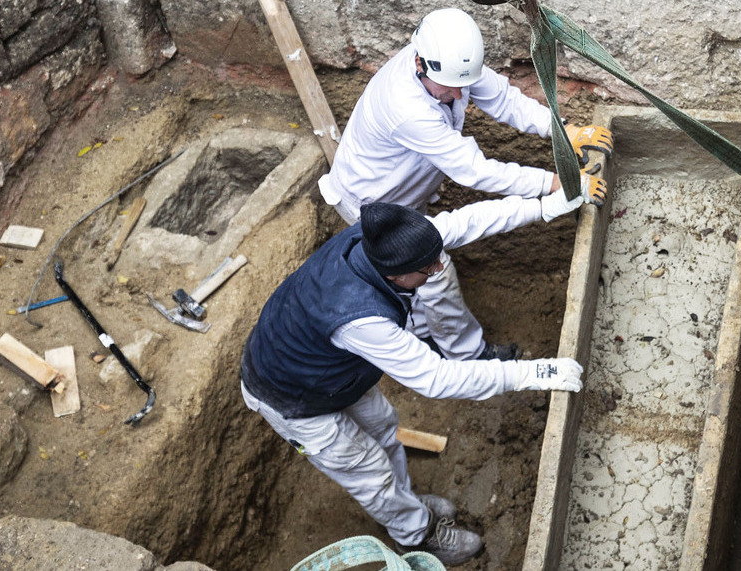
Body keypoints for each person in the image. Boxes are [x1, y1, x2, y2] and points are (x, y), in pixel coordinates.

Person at [240, 184, 604, 565]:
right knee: (368, 468)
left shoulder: (388, 242)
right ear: (397, 276)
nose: (437, 268)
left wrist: (545, 207)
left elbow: (467, 222)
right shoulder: (360, 319)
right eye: (428, 269)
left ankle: (406, 502)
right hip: (289, 395)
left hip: (328, 370)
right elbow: (437, 378)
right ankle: (417, 535)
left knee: (384, 425)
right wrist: (535, 372)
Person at [318, 7, 613, 362]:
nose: (460, 97)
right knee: (433, 271)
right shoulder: (406, 108)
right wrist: (554, 182)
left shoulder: (448, 62)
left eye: (464, 85)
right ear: (419, 65)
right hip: (372, 202)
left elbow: (503, 100)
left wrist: (564, 130)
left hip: (406, 195)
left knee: (415, 278)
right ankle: (466, 355)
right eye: (451, 89)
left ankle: (424, 333)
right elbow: (476, 171)